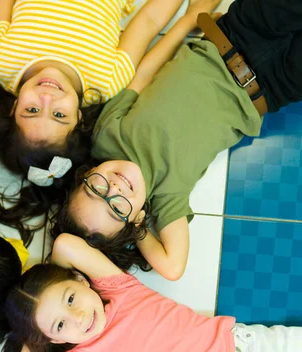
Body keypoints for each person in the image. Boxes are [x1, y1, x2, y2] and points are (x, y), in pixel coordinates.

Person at [55, 0, 302, 280]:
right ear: (133, 218)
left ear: (85, 174)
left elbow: (144, 74)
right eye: (116, 208)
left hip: (234, 35)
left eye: (96, 190)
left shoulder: (107, 136)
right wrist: (139, 229)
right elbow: (173, 268)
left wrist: (187, 23)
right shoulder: (165, 197)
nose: (115, 189)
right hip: (273, 86)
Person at [0, 0, 218, 245]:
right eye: (59, 115)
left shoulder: (1, 58)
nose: (47, 98)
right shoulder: (107, 81)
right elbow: (148, 22)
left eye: (32, 109)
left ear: (13, 107)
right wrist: (190, 18)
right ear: (79, 117)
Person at [0, 234, 302, 352]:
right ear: (56, 339)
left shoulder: (119, 289)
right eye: (60, 324)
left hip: (248, 345)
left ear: (81, 279)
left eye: (70, 299)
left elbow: (66, 245)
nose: (79, 316)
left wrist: (46, 288)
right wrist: (34, 336)